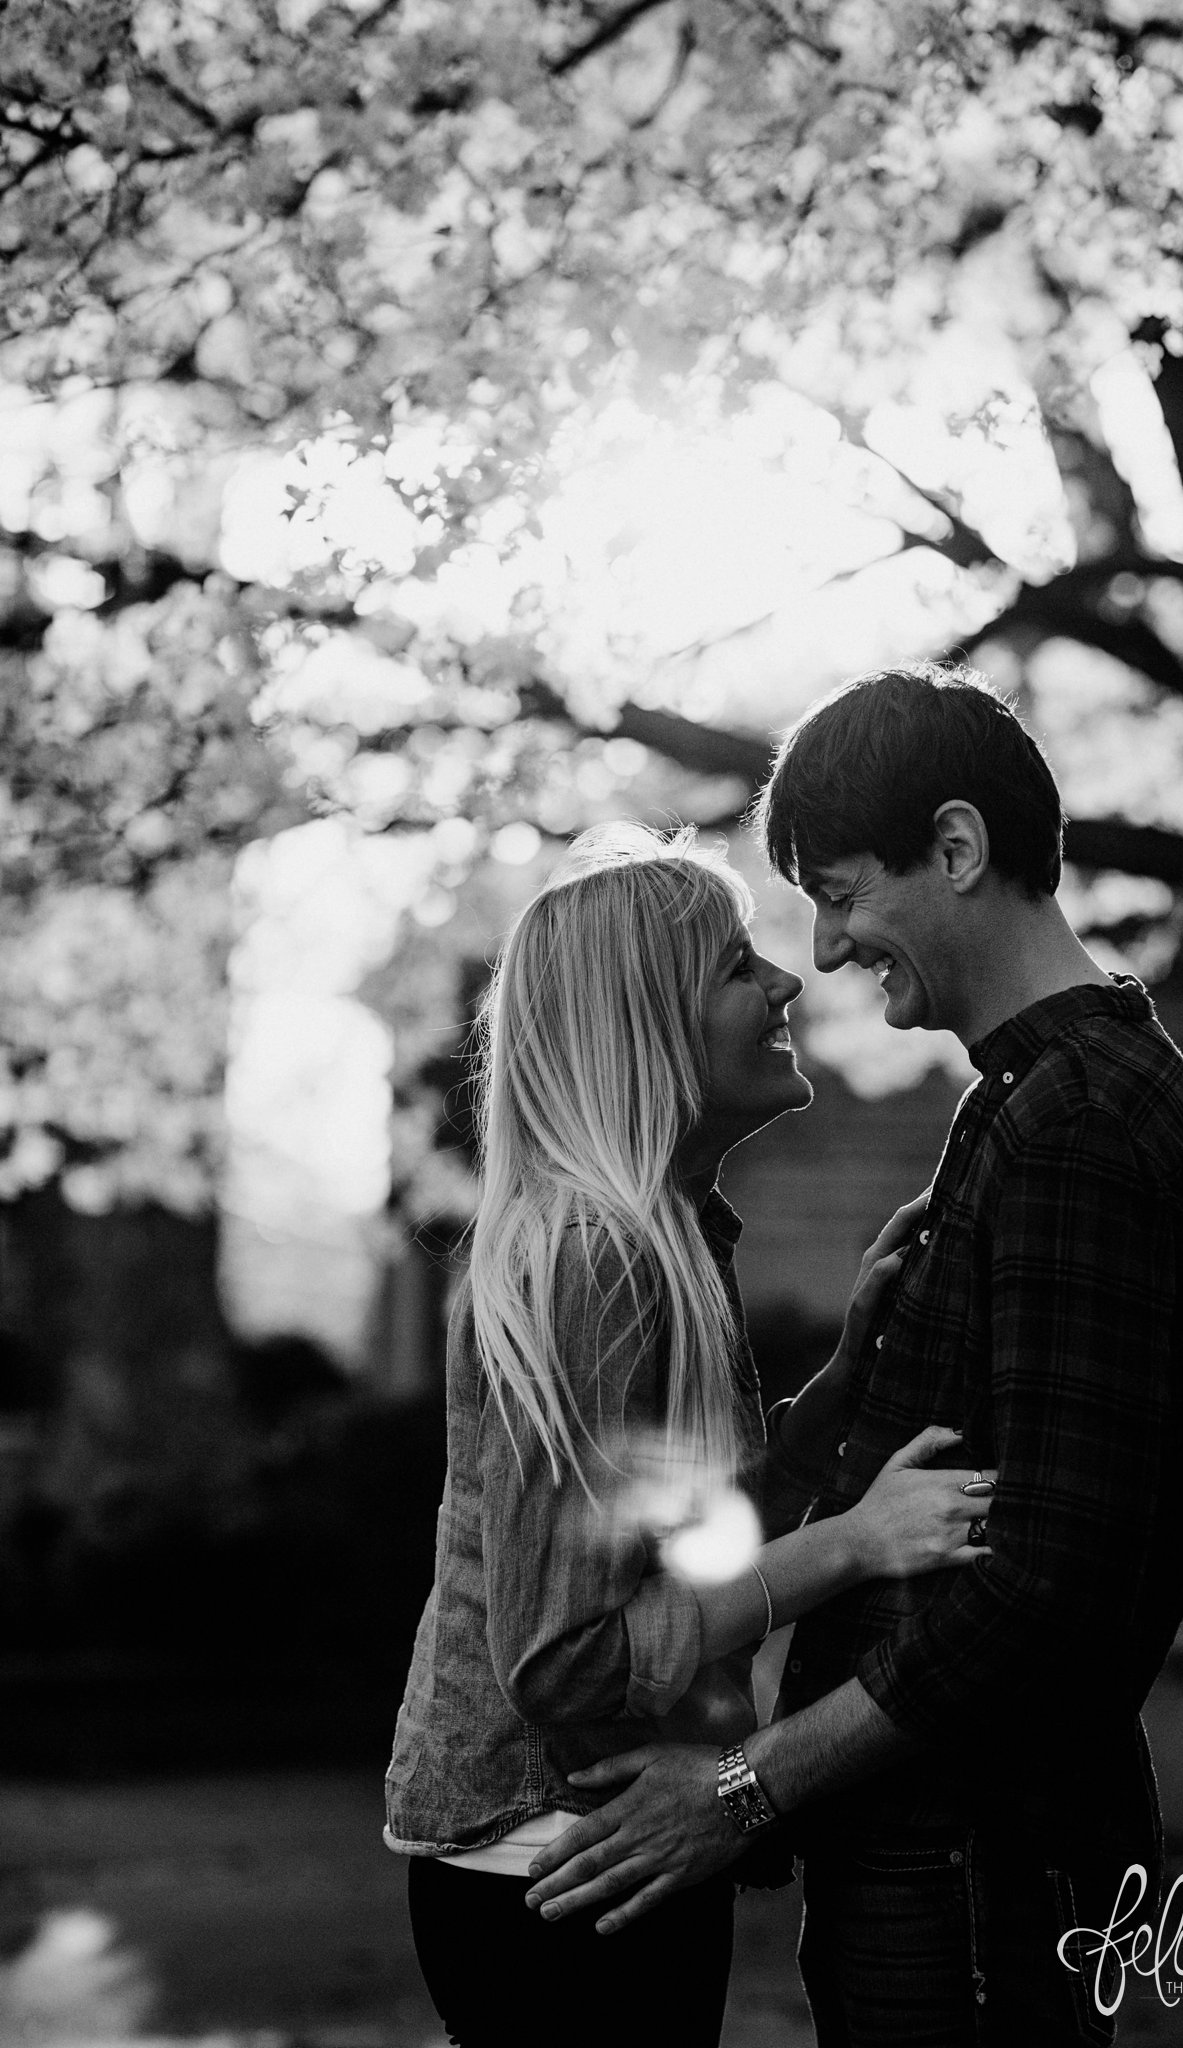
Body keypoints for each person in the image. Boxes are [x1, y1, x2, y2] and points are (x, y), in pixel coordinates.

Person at [523, 667, 1183, 2047]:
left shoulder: (1074, 1125)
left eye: (843, 891)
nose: (832, 948)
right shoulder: (1027, 1102)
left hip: (972, 1862)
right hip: (941, 1853)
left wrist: (739, 1787)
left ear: (959, 849)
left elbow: (1042, 1589)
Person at [384, 821, 997, 2048]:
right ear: (644, 1027)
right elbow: (566, 1656)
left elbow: (682, 1548)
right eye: (734, 965)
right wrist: (856, 1546)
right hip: (554, 1869)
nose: (785, 980)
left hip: (594, 1853)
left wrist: (837, 1384)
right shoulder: (592, 1258)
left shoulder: (664, 1237)